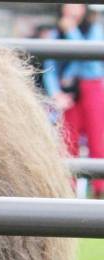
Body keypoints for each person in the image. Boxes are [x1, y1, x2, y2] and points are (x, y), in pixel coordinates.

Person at [43, 4, 104, 196]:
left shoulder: (93, 30)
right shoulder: (55, 33)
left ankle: (99, 190)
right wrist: (56, 94)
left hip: (90, 88)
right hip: (67, 94)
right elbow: (49, 66)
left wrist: (71, 31)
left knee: (98, 140)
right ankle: (67, 191)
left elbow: (92, 65)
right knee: (68, 142)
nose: (72, 8)